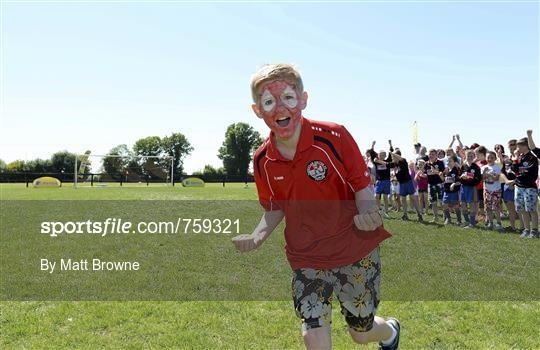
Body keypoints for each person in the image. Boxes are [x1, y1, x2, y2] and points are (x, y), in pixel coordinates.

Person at [232, 64, 400, 350]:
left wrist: (367, 213)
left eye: (288, 97)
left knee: (360, 332)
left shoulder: (333, 137)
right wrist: (257, 235)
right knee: (313, 330)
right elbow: (274, 206)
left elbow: (361, 186)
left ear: (304, 99)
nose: (280, 108)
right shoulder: (263, 160)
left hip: (354, 248)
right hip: (306, 256)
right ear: (257, 110)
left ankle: (390, 331)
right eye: (269, 101)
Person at [375, 151, 423, 222]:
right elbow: (386, 163)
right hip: (401, 183)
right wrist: (377, 160)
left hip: (408, 182)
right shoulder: (394, 164)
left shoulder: (403, 162)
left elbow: (401, 158)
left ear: (397, 156)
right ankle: (405, 215)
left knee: (413, 198)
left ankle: (419, 214)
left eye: (393, 157)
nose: (392, 158)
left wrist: (392, 153)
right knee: (403, 199)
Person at [512, 135, 539, 238]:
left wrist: (520, 172)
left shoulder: (532, 158)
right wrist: (515, 160)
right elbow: (515, 170)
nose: (517, 149)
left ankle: (534, 230)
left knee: (531, 209)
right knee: (521, 209)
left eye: (518, 147)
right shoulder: (520, 157)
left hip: (529, 187)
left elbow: (528, 172)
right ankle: (526, 229)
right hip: (519, 187)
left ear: (525, 146)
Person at [371, 140, 394, 219]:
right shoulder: (376, 162)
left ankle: (386, 212)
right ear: (378, 155)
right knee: (376, 196)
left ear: (385, 156)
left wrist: (390, 144)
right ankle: (378, 210)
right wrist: (373, 145)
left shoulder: (387, 161)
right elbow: (372, 154)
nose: (382, 156)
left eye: (383, 155)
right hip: (379, 181)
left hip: (387, 181)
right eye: (380, 154)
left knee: (385, 197)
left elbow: (391, 153)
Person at [481, 151, 503, 232]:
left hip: (496, 190)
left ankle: (498, 223)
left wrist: (488, 175)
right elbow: (482, 178)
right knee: (488, 207)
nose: (489, 159)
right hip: (487, 190)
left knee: (496, 207)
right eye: (488, 157)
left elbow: (496, 178)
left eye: (492, 157)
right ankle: (490, 222)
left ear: (495, 158)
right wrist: (484, 173)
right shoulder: (483, 167)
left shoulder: (497, 167)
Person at [459, 150, 482, 228]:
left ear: (474, 157)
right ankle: (467, 221)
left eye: (471, 156)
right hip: (463, 188)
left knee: (472, 205)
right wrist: (462, 177)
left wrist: (469, 175)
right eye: (468, 156)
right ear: (466, 156)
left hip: (471, 188)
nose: (469, 157)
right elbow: (459, 177)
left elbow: (478, 179)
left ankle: (472, 223)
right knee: (463, 205)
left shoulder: (476, 167)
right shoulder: (463, 166)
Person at [425, 149, 445, 223]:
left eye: (433, 154)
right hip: (430, 184)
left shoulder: (440, 162)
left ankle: (445, 216)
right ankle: (435, 217)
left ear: (436, 155)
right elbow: (425, 173)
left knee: (441, 201)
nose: (431, 156)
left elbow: (443, 173)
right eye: (430, 154)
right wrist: (422, 175)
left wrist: (436, 171)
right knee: (433, 202)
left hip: (439, 184)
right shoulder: (426, 164)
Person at [441, 156, 462, 225]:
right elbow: (443, 180)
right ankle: (448, 218)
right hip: (446, 191)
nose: (448, 162)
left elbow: (459, 181)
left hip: (454, 191)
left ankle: (459, 220)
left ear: (454, 162)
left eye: (450, 161)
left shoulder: (457, 170)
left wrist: (453, 184)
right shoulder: (446, 170)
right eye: (447, 161)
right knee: (444, 204)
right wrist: (441, 175)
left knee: (456, 206)